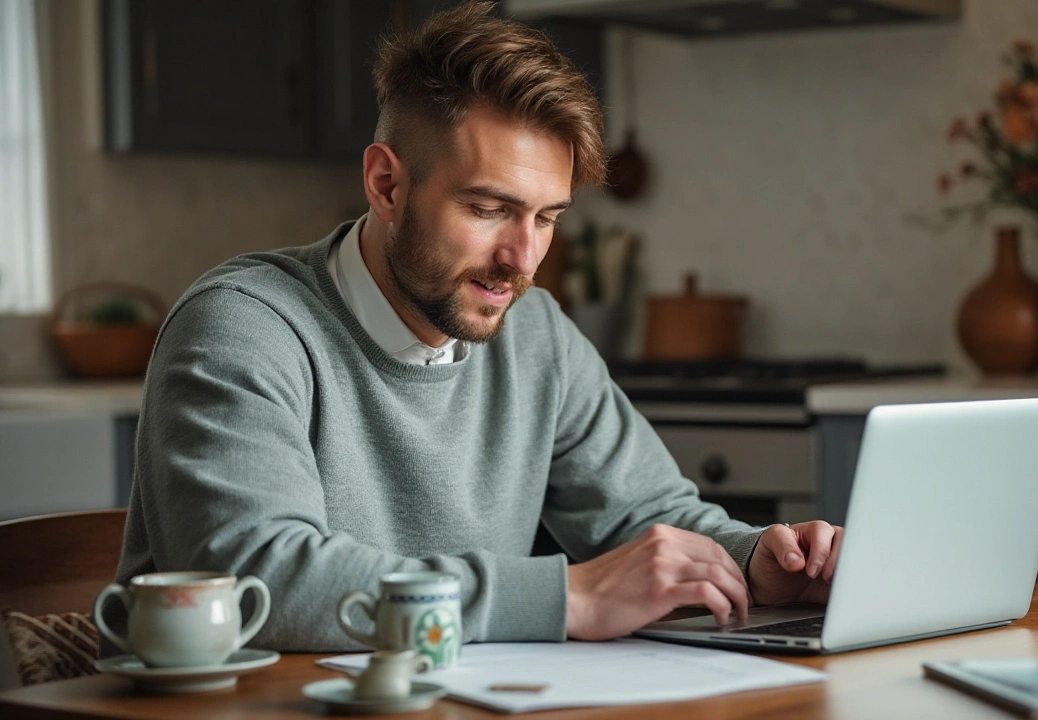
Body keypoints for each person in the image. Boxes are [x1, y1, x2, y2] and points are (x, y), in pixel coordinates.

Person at [112, 1, 842, 650]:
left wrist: (757, 564)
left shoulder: (537, 334)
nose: (522, 258)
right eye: (489, 209)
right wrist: (571, 598)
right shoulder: (243, 327)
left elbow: (648, 517)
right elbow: (257, 578)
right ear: (387, 184)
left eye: (547, 217)